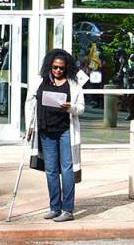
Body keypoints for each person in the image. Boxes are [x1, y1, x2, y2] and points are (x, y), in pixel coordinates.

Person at [25, 49, 87, 223]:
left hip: (66, 130)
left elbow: (81, 107)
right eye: (55, 67)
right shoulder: (40, 81)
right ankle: (54, 207)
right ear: (49, 66)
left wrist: (71, 108)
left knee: (67, 169)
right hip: (46, 130)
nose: (58, 71)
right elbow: (30, 103)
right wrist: (29, 125)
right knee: (51, 170)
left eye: (61, 68)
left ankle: (68, 209)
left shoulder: (73, 84)